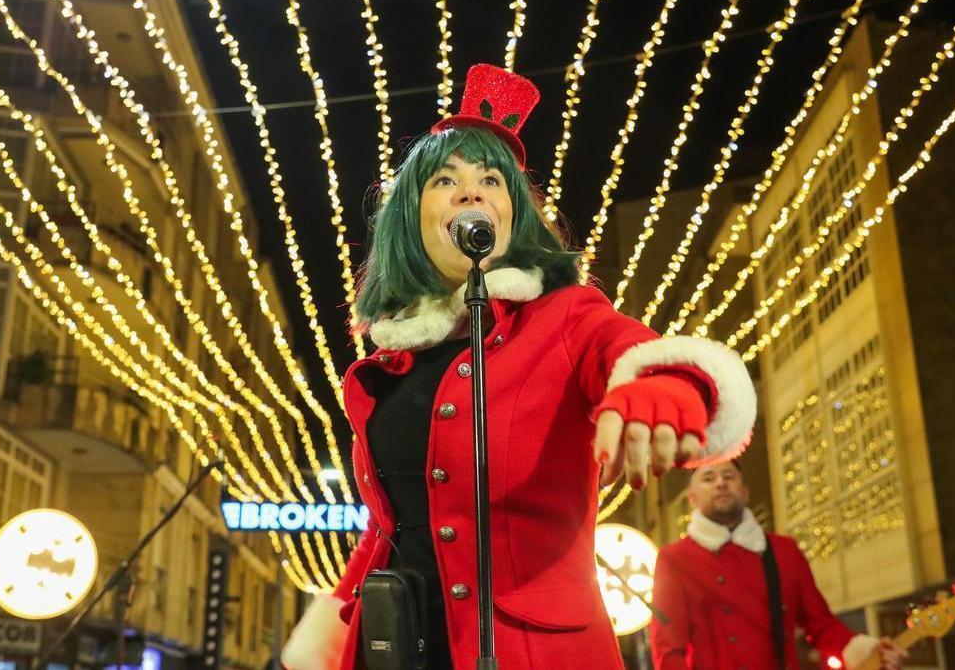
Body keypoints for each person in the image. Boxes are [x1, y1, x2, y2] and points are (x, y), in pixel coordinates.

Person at [280, 64, 756, 670]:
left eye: (492, 180)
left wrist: (670, 385)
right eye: (445, 179)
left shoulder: (566, 319)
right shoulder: (386, 364)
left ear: (513, 214)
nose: (472, 191)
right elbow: (396, 527)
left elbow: (640, 354)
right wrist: (333, 621)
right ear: (411, 215)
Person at [650, 459, 908, 669]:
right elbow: (669, 651)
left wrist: (866, 649)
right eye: (708, 478)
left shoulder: (783, 551)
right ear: (692, 498)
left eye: (729, 476)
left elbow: (821, 624)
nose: (720, 483)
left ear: (745, 492)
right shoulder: (675, 559)